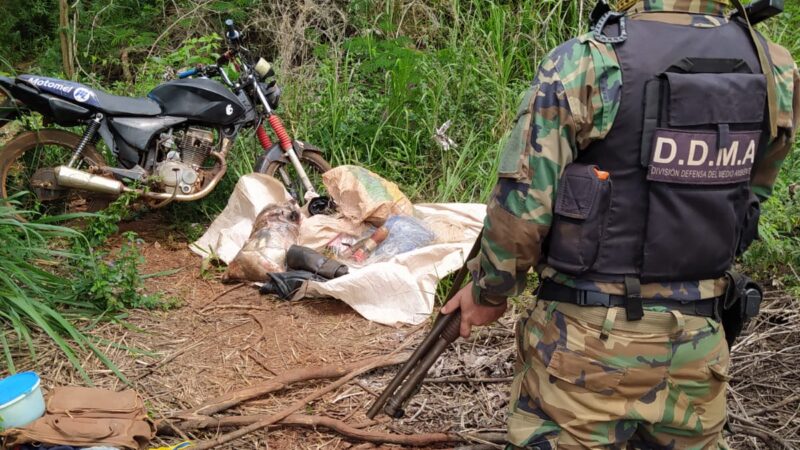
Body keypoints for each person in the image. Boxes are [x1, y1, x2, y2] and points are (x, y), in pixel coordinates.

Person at [441, 0, 799, 448]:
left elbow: (524, 208)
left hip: (584, 346)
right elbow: (754, 192)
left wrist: (489, 291)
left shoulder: (589, 61)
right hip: (699, 346)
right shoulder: (773, 65)